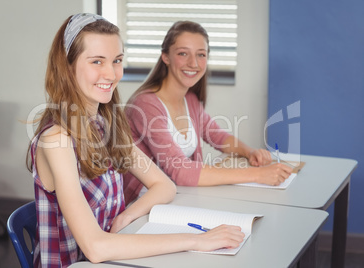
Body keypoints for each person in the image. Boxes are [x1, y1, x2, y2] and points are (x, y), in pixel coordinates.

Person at [26, 14, 245, 267]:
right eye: (97, 61)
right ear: (67, 65)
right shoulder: (57, 140)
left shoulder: (104, 125)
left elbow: (164, 186)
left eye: (117, 60)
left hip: (113, 255)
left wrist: (126, 216)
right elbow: (96, 248)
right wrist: (197, 239)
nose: (111, 73)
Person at [124, 21, 293, 204]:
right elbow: (181, 171)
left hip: (178, 197)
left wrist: (249, 151)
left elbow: (218, 136)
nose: (193, 63)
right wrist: (257, 174)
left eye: (201, 55)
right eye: (183, 53)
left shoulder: (190, 99)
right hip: (141, 203)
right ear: (165, 56)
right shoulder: (146, 104)